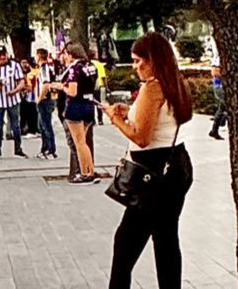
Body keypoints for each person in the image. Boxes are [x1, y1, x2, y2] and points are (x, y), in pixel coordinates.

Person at [102, 32, 195, 289]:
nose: (135, 67)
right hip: (176, 162)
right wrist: (129, 112)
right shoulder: (175, 81)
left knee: (125, 244)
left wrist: (114, 117)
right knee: (166, 239)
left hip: (151, 173)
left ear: (152, 60)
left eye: (137, 61)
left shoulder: (152, 87)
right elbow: (163, 119)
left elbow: (140, 137)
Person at [46, 43, 99, 184]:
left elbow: (73, 91)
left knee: (79, 143)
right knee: (85, 142)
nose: (63, 57)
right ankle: (90, 170)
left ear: (70, 54)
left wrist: (61, 86)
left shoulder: (74, 69)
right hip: (88, 105)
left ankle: (83, 172)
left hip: (75, 107)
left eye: (65, 54)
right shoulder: (90, 66)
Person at [0, 46, 27, 159]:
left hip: (13, 100)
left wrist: (15, 90)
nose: (2, 57)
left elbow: (21, 81)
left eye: (3, 55)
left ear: (7, 54)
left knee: (16, 125)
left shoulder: (15, 66)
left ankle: (18, 148)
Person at [33, 49, 59, 159]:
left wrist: (39, 98)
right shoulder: (46, 68)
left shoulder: (44, 68)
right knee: (42, 125)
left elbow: (46, 84)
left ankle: (50, 149)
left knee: (46, 124)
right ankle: (44, 148)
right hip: (46, 99)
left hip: (45, 100)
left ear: (38, 56)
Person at [209, 64, 227, 140]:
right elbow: (215, 73)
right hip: (219, 88)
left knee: (222, 108)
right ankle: (219, 125)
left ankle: (214, 130)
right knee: (226, 107)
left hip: (219, 88)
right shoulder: (216, 62)